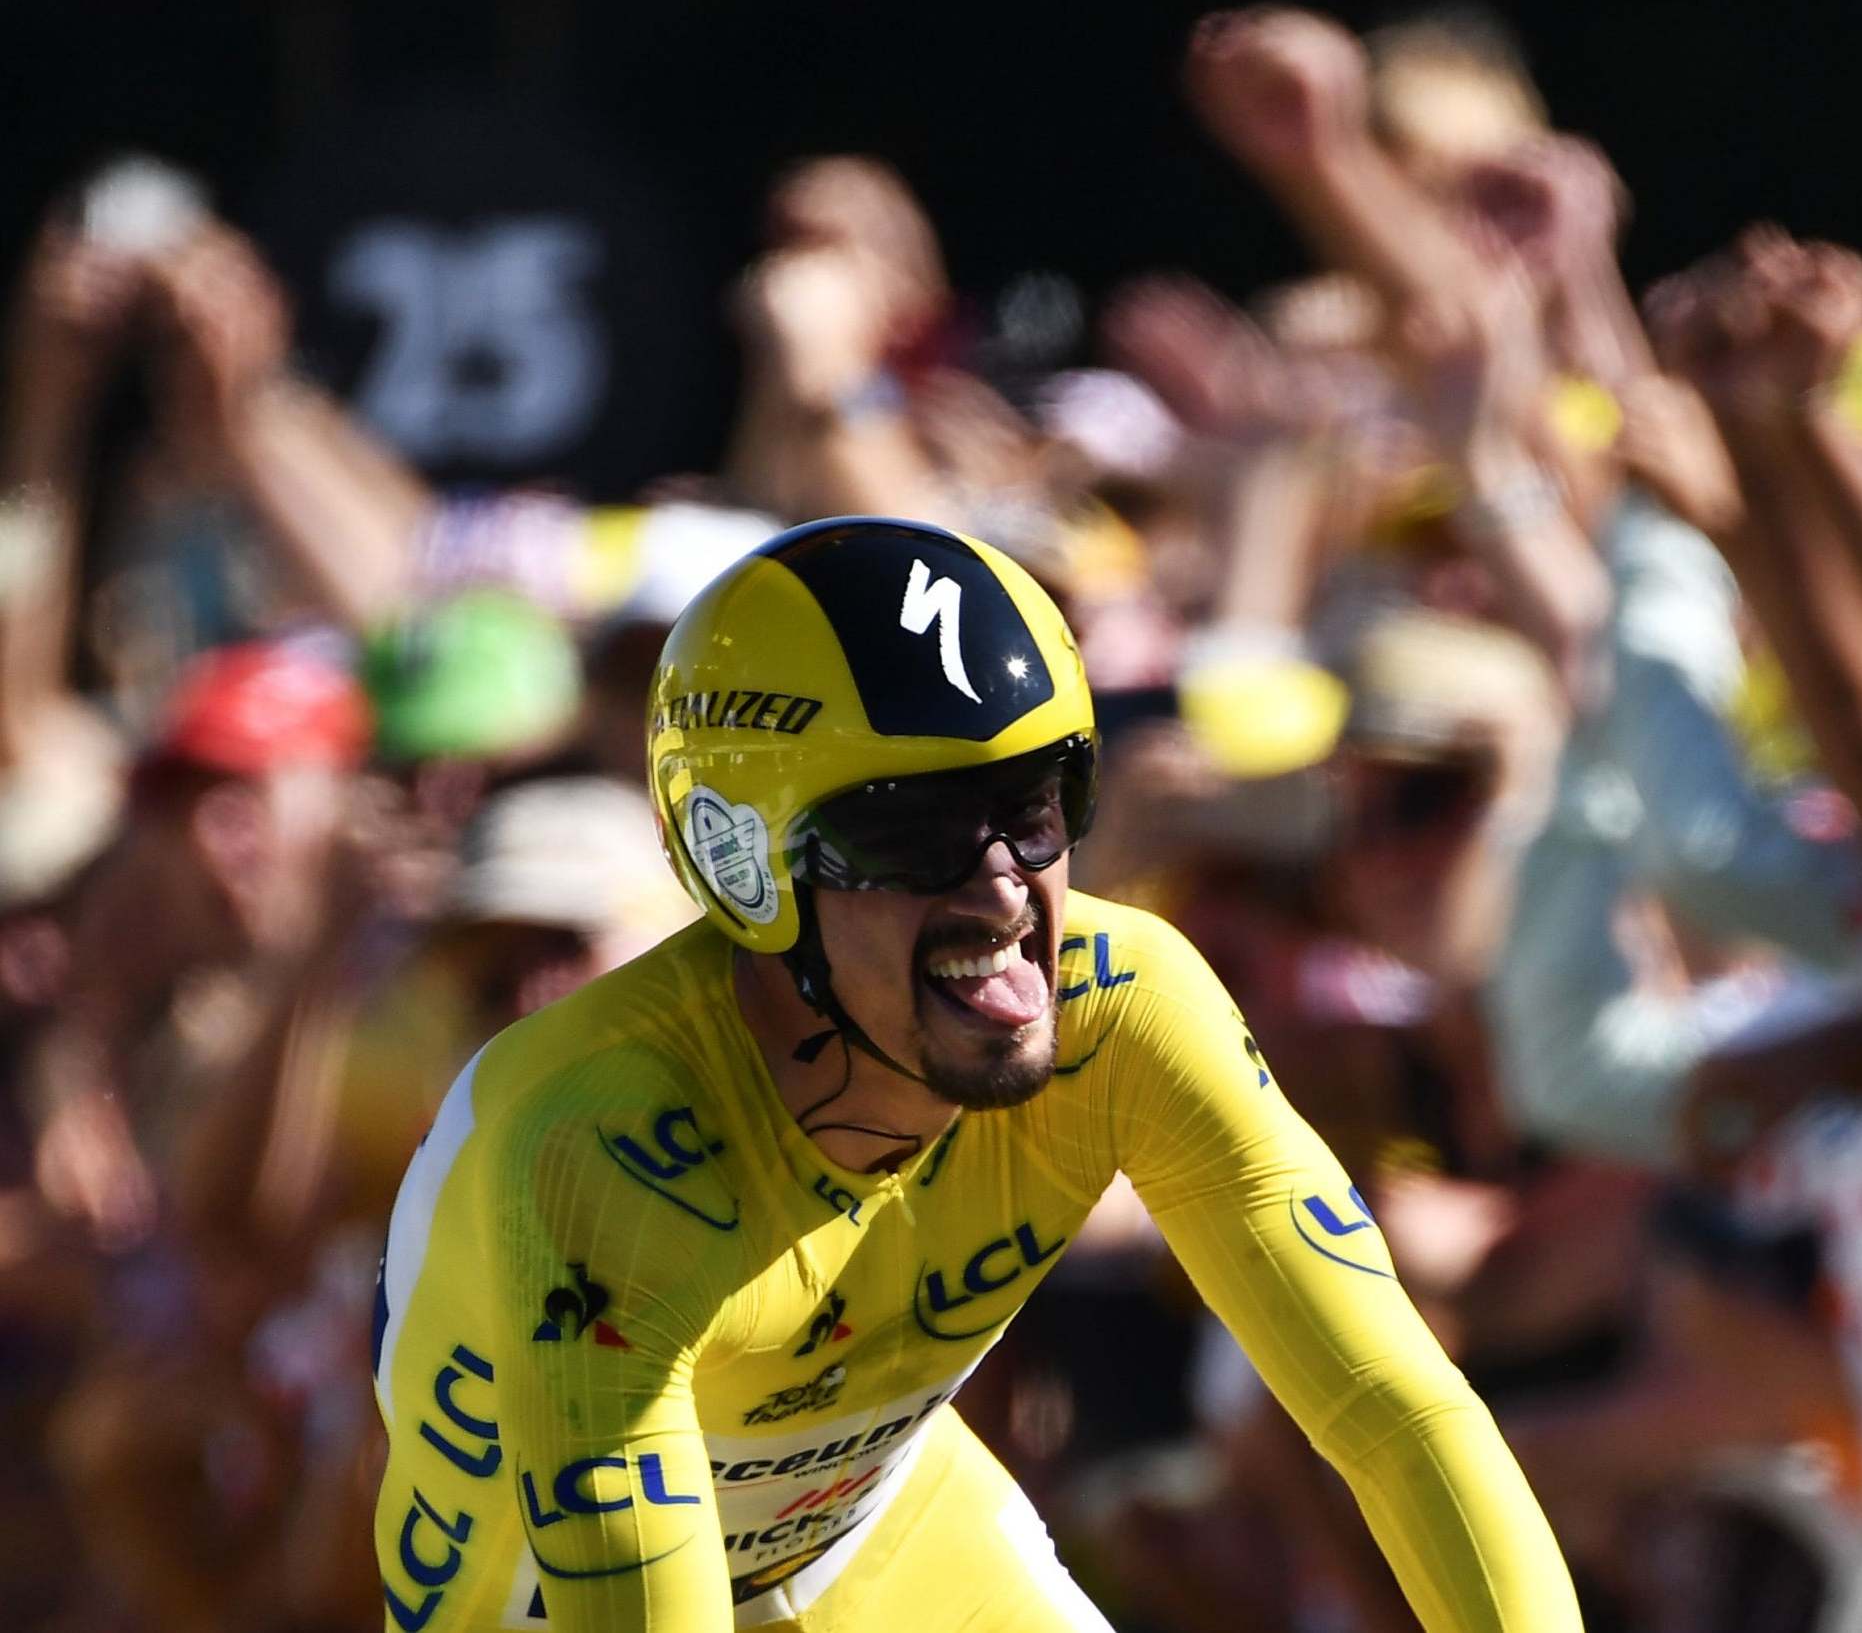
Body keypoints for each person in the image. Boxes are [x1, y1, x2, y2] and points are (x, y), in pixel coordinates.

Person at [370, 516, 1579, 1632]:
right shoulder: (599, 1148)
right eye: (911, 833)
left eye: (1033, 803)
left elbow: (1395, 1412)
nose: (1003, 885)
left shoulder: (1129, 1005)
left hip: (858, 1530)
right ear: (746, 870)